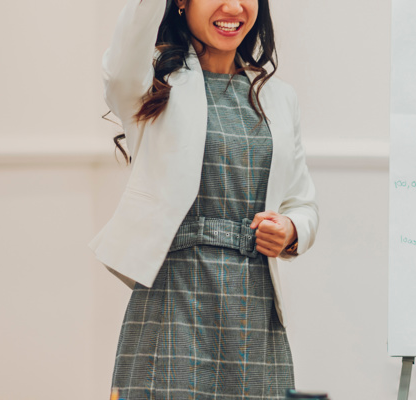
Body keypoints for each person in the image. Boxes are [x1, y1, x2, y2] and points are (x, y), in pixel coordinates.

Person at [92, 0, 319, 398]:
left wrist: (290, 230)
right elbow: (122, 56)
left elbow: (301, 204)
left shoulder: (280, 98)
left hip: (254, 310)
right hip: (171, 302)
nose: (233, 6)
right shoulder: (151, 83)